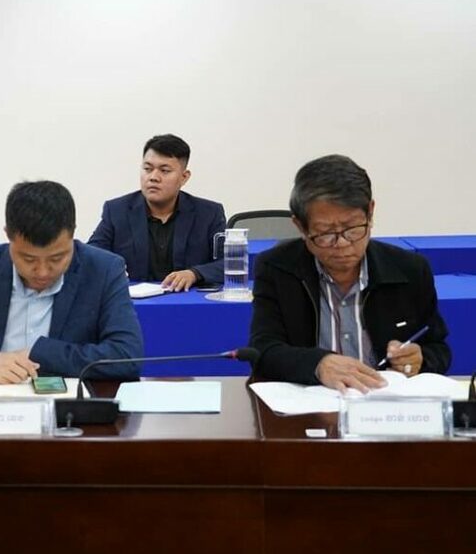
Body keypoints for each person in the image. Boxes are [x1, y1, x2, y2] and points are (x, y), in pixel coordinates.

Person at [249, 155, 450, 391]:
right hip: (313, 404)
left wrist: (419, 359)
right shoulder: (277, 268)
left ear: (370, 213)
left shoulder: (410, 269)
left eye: (353, 229)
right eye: (325, 233)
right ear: (300, 226)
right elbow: (263, 351)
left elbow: (438, 348)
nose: (342, 244)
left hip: (385, 402)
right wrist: (318, 364)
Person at [0, 180, 143, 383]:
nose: (42, 272)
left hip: (69, 405)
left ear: (72, 234)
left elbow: (127, 356)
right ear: (8, 236)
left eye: (57, 258)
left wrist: (40, 354)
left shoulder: (103, 270)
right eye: (28, 259)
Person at [88, 134, 225, 291]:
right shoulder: (117, 210)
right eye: (147, 169)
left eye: (164, 171)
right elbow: (91, 255)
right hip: (135, 302)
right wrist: (111, 268)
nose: (153, 177)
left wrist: (195, 273)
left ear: (184, 177)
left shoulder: (209, 214)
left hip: (188, 300)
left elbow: (232, 263)